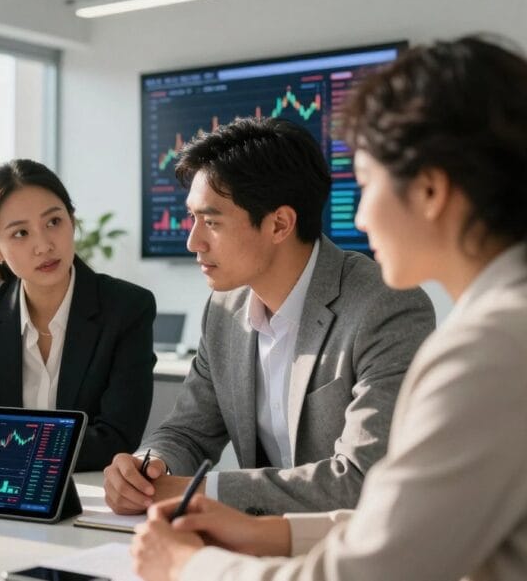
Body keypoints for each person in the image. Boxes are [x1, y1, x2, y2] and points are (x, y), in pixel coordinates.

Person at [130, 35, 527, 581]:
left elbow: (371, 570)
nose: (359, 218)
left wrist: (190, 566)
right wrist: (266, 532)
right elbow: (413, 528)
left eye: (366, 184)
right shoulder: (504, 328)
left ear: (431, 191)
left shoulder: (488, 350)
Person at [104, 117, 436, 515]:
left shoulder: (385, 307)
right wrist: (149, 469)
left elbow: (362, 479)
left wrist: (201, 491)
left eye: (211, 222)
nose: (193, 241)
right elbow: (187, 432)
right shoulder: (224, 310)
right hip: (255, 543)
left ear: (279, 224)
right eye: (193, 219)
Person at [0, 159, 156, 471]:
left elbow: (117, 437)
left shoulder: (126, 307)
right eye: (21, 233)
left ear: (72, 221)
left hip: (85, 488)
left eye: (53, 222)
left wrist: (6, 448)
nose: (43, 246)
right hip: (6, 487)